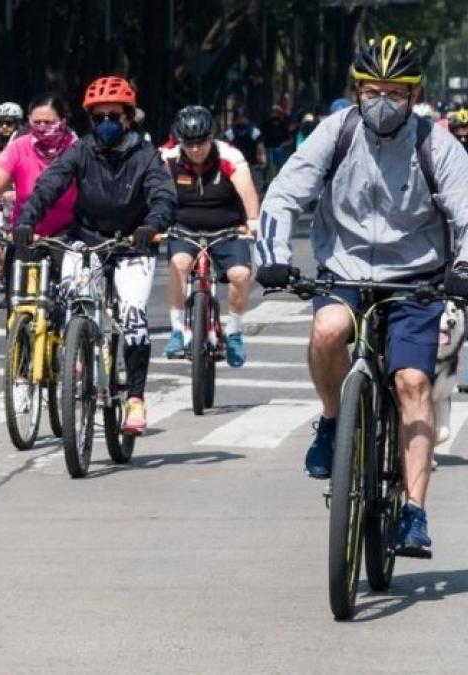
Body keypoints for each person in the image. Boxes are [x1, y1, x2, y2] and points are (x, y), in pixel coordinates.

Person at [255, 35, 468, 557]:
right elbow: (284, 195)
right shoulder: (337, 131)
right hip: (345, 270)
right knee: (328, 331)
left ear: (414, 97)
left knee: (414, 382)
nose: (381, 101)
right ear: (356, 92)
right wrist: (273, 257)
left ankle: (414, 512)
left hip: (416, 278)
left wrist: (462, 266)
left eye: (395, 92)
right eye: (372, 90)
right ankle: (332, 422)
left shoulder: (437, 145)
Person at [14, 75, 176, 435]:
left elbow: (163, 194)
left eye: (113, 117)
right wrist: (27, 219)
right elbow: (50, 185)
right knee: (74, 300)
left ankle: (135, 398)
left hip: (133, 243)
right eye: (97, 117)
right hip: (85, 239)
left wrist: (152, 223)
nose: (105, 124)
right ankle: (77, 356)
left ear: (129, 117)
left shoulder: (146, 155)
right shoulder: (80, 150)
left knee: (133, 315)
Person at [160, 105, 260, 367]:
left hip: (228, 230)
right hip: (184, 228)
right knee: (179, 263)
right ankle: (178, 330)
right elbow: (155, 193)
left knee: (240, 274)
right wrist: (152, 224)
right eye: (189, 143)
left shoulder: (230, 156)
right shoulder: (167, 159)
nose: (195, 149)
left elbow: (247, 192)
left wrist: (252, 221)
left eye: (201, 142)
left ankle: (234, 331)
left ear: (210, 138)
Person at [0, 93, 78, 296]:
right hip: (25, 231)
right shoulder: (18, 147)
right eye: (37, 122)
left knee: (71, 295)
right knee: (20, 299)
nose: (43, 127)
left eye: (49, 122)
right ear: (28, 121)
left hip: (66, 234)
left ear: (63, 121)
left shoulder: (77, 147)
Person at [222, 108, 267, 189]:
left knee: (257, 186)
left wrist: (262, 159)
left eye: (243, 117)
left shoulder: (254, 132)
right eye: (239, 117)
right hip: (236, 165)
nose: (241, 120)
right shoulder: (230, 133)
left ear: (247, 119)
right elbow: (225, 149)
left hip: (252, 164)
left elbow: (260, 148)